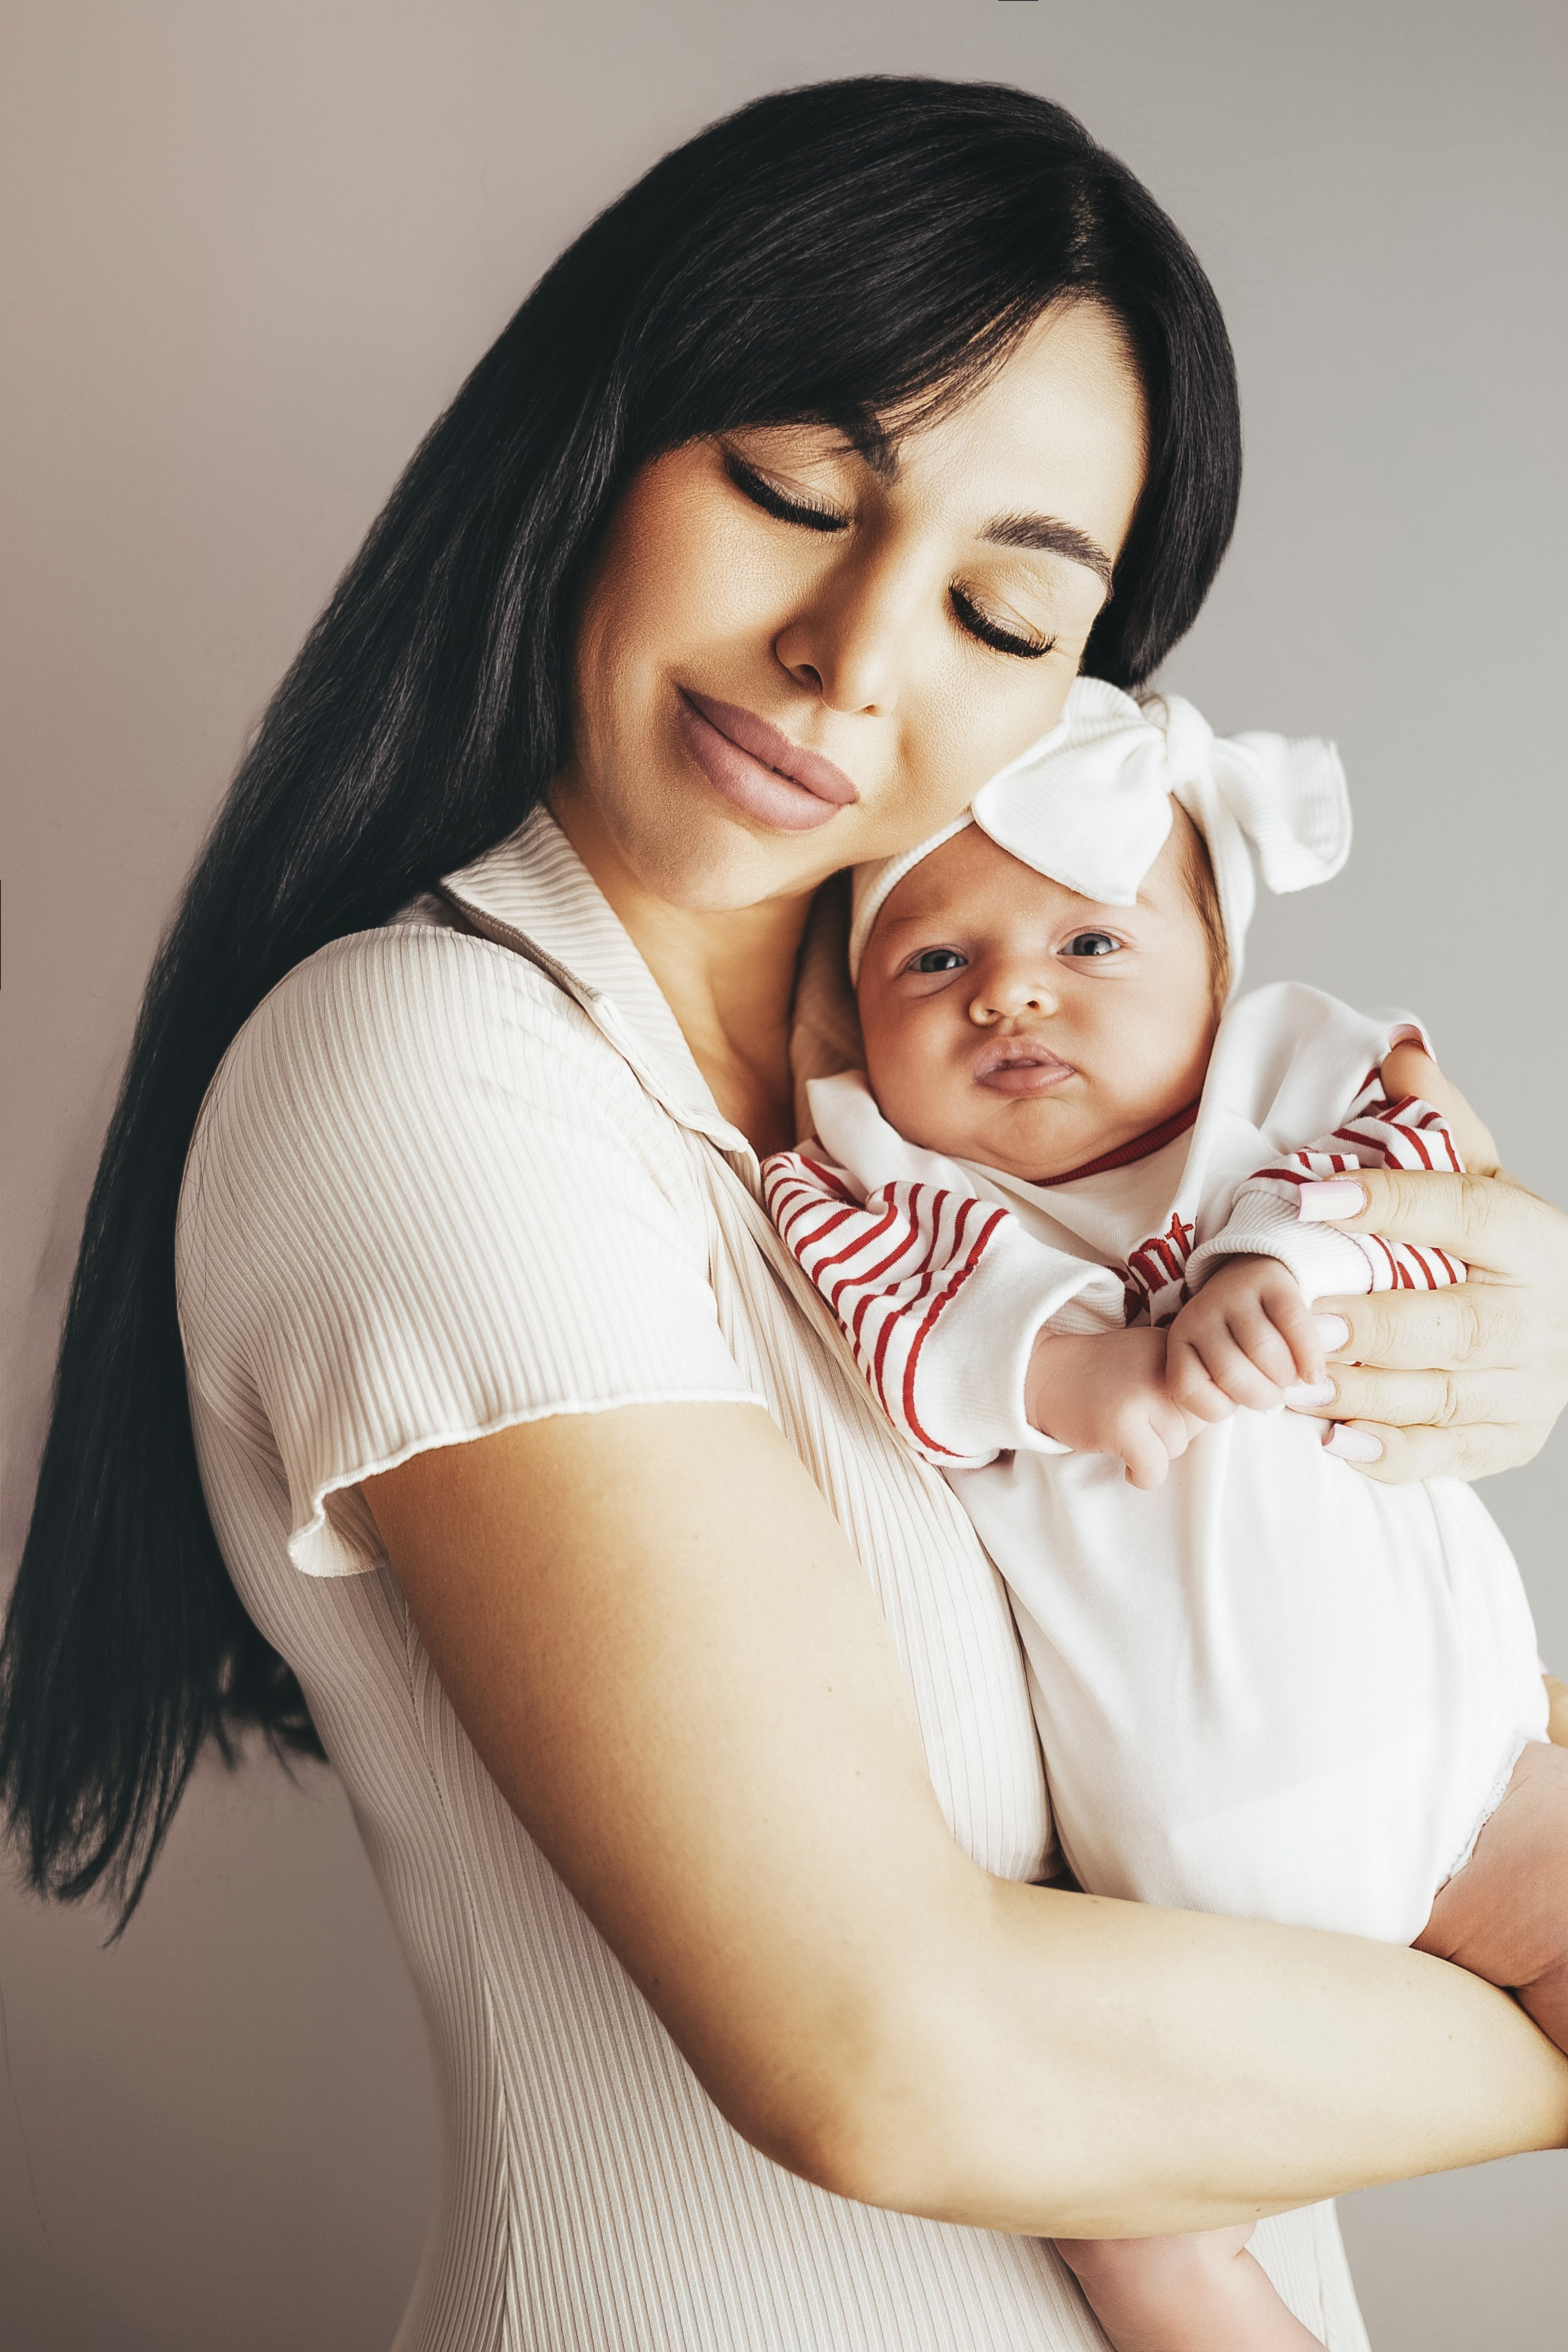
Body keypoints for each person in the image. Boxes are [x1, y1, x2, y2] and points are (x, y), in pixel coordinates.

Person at [3, 76, 1567, 2352]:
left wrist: (1471, 1313)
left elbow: (1299, 1693)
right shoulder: (436, 1082)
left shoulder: (992, 1133)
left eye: (1002, 606)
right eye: (791, 493)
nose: (858, 650)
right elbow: (890, 2048)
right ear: (596, 449)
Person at [763, 677, 1568, 2349]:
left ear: (1221, 969)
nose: (1013, 998)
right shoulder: (890, 1177)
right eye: (934, 960)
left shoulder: (1284, 1085)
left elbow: (1432, 1179)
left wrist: (1285, 1263)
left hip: (1465, 1780)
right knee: (1152, 2256)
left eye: (1094, 944)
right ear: (850, 1010)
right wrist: (1083, 1375)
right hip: (1168, 1893)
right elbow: (904, 1326)